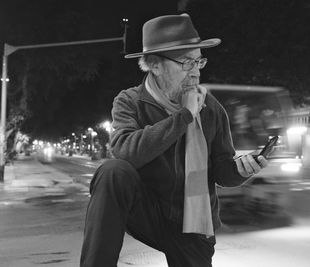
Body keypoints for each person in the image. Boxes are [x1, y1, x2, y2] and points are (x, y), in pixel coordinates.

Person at [80, 13, 268, 267]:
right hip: (149, 213)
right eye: (185, 62)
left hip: (193, 224)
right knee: (112, 172)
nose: (195, 72)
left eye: (198, 61)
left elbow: (222, 172)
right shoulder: (130, 101)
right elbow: (125, 152)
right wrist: (184, 116)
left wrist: (243, 169)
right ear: (155, 65)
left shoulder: (211, 108)